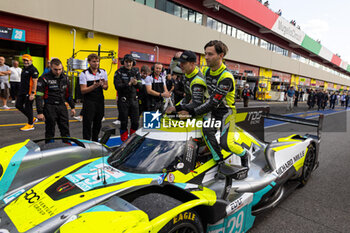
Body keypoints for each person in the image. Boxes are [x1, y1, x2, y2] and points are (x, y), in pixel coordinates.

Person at [177, 40, 250, 171]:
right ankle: (219, 162)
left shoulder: (226, 77)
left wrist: (191, 112)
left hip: (226, 112)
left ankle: (245, 155)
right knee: (205, 130)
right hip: (211, 111)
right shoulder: (206, 71)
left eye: (210, 54)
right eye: (205, 54)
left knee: (227, 144)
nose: (206, 57)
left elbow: (212, 103)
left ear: (221, 55)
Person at [36, 58, 75, 142]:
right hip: (50, 106)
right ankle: (49, 146)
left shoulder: (66, 78)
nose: (58, 72)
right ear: (50, 67)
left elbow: (68, 94)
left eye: (60, 69)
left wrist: (72, 107)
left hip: (62, 106)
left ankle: (67, 144)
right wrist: (40, 112)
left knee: (65, 127)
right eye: (55, 69)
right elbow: (39, 96)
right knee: (50, 128)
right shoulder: (43, 78)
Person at [165, 50, 207, 115]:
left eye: (184, 63)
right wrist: (175, 59)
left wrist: (177, 108)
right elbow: (172, 67)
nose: (181, 65)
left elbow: (197, 103)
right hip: (188, 103)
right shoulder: (187, 70)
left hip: (198, 111)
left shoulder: (198, 79)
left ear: (192, 63)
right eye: (180, 62)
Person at [79, 53, 108, 141]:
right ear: (89, 62)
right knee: (87, 123)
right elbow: (83, 90)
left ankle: (95, 141)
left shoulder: (103, 72)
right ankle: (87, 142)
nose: (96, 63)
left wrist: (103, 85)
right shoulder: (84, 74)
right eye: (94, 61)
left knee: (98, 123)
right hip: (89, 101)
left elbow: (106, 87)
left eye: (97, 61)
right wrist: (93, 86)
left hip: (99, 101)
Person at [114, 54, 141, 142]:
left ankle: (133, 140)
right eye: (126, 62)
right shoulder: (118, 72)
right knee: (124, 122)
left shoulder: (136, 72)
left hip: (134, 101)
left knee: (135, 122)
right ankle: (124, 141)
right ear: (123, 62)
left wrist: (136, 83)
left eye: (130, 62)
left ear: (133, 63)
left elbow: (141, 86)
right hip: (123, 101)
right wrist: (129, 83)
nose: (128, 64)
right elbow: (117, 86)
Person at [16, 54, 39, 131]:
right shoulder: (24, 68)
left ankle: (30, 124)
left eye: (27, 60)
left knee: (28, 108)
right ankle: (32, 118)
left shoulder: (33, 70)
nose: (25, 62)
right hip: (22, 91)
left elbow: (35, 82)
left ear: (31, 60)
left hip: (29, 92)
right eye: (24, 60)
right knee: (18, 105)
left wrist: (32, 93)